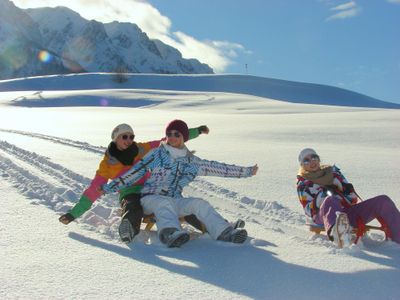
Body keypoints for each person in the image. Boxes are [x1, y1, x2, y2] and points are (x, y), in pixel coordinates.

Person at [102, 119, 258, 248]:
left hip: (175, 200)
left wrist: (246, 172)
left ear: (184, 137)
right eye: (169, 134)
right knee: (162, 203)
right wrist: (110, 187)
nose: (172, 137)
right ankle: (169, 233)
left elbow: (218, 168)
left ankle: (225, 232)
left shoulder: (191, 161)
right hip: (150, 199)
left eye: (176, 134)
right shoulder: (158, 154)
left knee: (199, 203)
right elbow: (135, 172)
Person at [59, 122, 210, 243]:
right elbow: (93, 190)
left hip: (151, 189)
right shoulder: (107, 164)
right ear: (115, 138)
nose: (129, 140)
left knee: (181, 204)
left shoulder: (141, 149)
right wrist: (73, 214)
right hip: (129, 192)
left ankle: (212, 227)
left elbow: (171, 140)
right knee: (133, 207)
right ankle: (128, 230)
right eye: (124, 137)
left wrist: (197, 131)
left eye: (131, 137)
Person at [296, 148, 400, 248]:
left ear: (318, 159)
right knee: (331, 200)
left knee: (383, 200)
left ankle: (398, 235)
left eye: (314, 157)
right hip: (322, 217)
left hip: (348, 213)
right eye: (306, 160)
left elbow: (353, 199)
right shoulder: (304, 184)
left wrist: (344, 189)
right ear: (302, 165)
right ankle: (338, 235)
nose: (312, 161)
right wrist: (322, 195)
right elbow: (308, 211)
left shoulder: (334, 173)